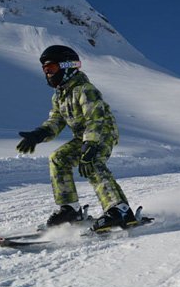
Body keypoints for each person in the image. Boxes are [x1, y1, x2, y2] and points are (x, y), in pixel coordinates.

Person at [16, 45, 137, 232]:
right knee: (58, 158)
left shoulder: (85, 89)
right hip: (84, 137)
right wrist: (39, 134)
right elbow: (55, 121)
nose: (48, 74)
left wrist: (91, 145)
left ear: (67, 66)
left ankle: (119, 209)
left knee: (92, 161)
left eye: (52, 69)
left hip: (102, 133)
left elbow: (95, 118)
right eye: (45, 70)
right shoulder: (59, 97)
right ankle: (70, 209)